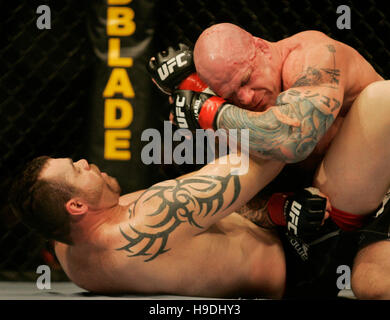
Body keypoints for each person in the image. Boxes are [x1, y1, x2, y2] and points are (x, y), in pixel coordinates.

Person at [147, 23, 390, 298]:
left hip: (381, 185)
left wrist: (208, 111)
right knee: (372, 285)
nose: (246, 97)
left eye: (246, 79)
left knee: (381, 100)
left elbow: (291, 140)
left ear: (261, 47)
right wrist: (279, 209)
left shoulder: (315, 57)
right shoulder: (238, 106)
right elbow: (224, 196)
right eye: (231, 94)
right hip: (332, 221)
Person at [10, 153, 292, 298]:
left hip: (270, 233)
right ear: (77, 206)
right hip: (302, 259)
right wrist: (213, 111)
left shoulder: (68, 248)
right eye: (75, 168)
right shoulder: (153, 216)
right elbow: (280, 145)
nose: (84, 162)